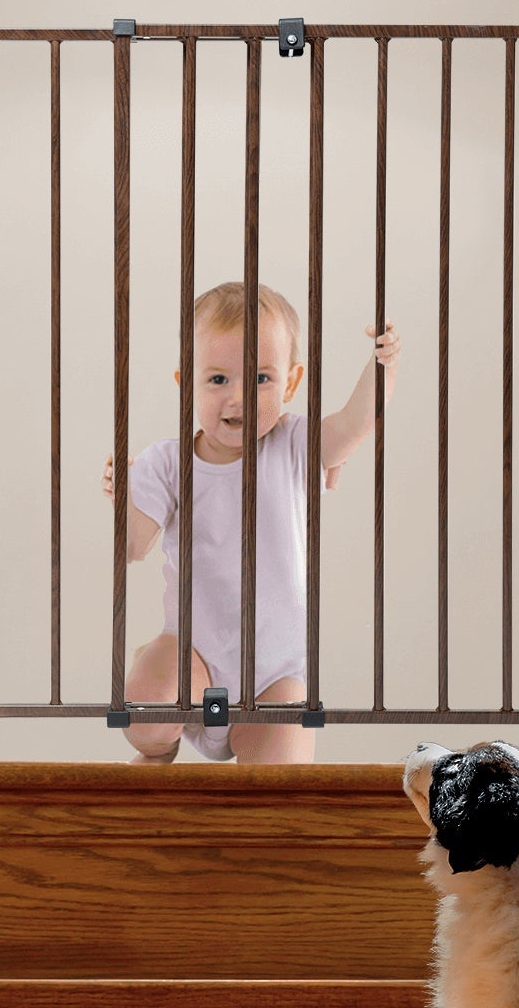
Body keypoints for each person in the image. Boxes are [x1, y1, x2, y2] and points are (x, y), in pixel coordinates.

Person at [101, 280, 400, 763]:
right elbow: (134, 546)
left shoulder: (293, 444)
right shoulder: (167, 462)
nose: (238, 398)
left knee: (280, 787)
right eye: (218, 380)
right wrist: (123, 502)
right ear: (187, 384)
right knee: (146, 714)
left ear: (291, 382)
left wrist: (380, 367)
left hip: (273, 674)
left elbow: (352, 425)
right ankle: (161, 747)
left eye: (260, 378)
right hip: (191, 657)